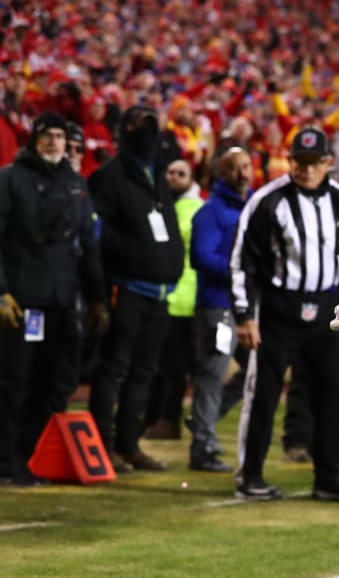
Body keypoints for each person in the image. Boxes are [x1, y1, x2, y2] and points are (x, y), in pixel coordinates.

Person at [230, 127, 339, 501]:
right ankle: (251, 475)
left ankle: (329, 476)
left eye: (313, 162)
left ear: (328, 162)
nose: (306, 170)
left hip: (328, 311)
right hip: (278, 310)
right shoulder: (267, 201)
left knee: (331, 394)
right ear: (289, 161)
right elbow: (244, 263)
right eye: (299, 162)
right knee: (263, 394)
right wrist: (244, 314)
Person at [0, 111, 108, 486]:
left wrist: (97, 299)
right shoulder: (9, 180)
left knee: (54, 383)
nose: (54, 143)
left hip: (62, 302)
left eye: (60, 137)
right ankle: (5, 461)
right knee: (14, 382)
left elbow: (90, 247)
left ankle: (26, 456)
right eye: (47, 136)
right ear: (33, 141)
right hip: (22, 301)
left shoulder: (77, 185)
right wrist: (1, 292)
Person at [88, 105, 185, 474]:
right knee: (114, 369)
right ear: (122, 132)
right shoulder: (108, 177)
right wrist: (133, 254)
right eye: (136, 126)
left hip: (159, 293)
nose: (145, 133)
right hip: (126, 288)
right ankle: (100, 446)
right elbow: (97, 233)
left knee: (143, 371)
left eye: (150, 126)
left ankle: (129, 446)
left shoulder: (156, 174)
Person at [188, 146, 254, 473]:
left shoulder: (256, 206)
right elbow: (200, 257)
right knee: (213, 374)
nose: (243, 173)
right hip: (218, 307)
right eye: (234, 168)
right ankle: (203, 447)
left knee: (254, 370)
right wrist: (239, 269)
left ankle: (204, 421)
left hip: (245, 308)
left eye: (246, 166)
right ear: (221, 174)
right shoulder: (210, 212)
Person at [143, 159, 202, 441]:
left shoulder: (193, 209)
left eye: (181, 173)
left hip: (183, 298)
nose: (173, 177)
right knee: (157, 363)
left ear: (191, 179)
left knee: (173, 366)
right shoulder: (163, 204)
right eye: (169, 171)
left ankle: (169, 419)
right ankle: (154, 418)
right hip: (165, 294)